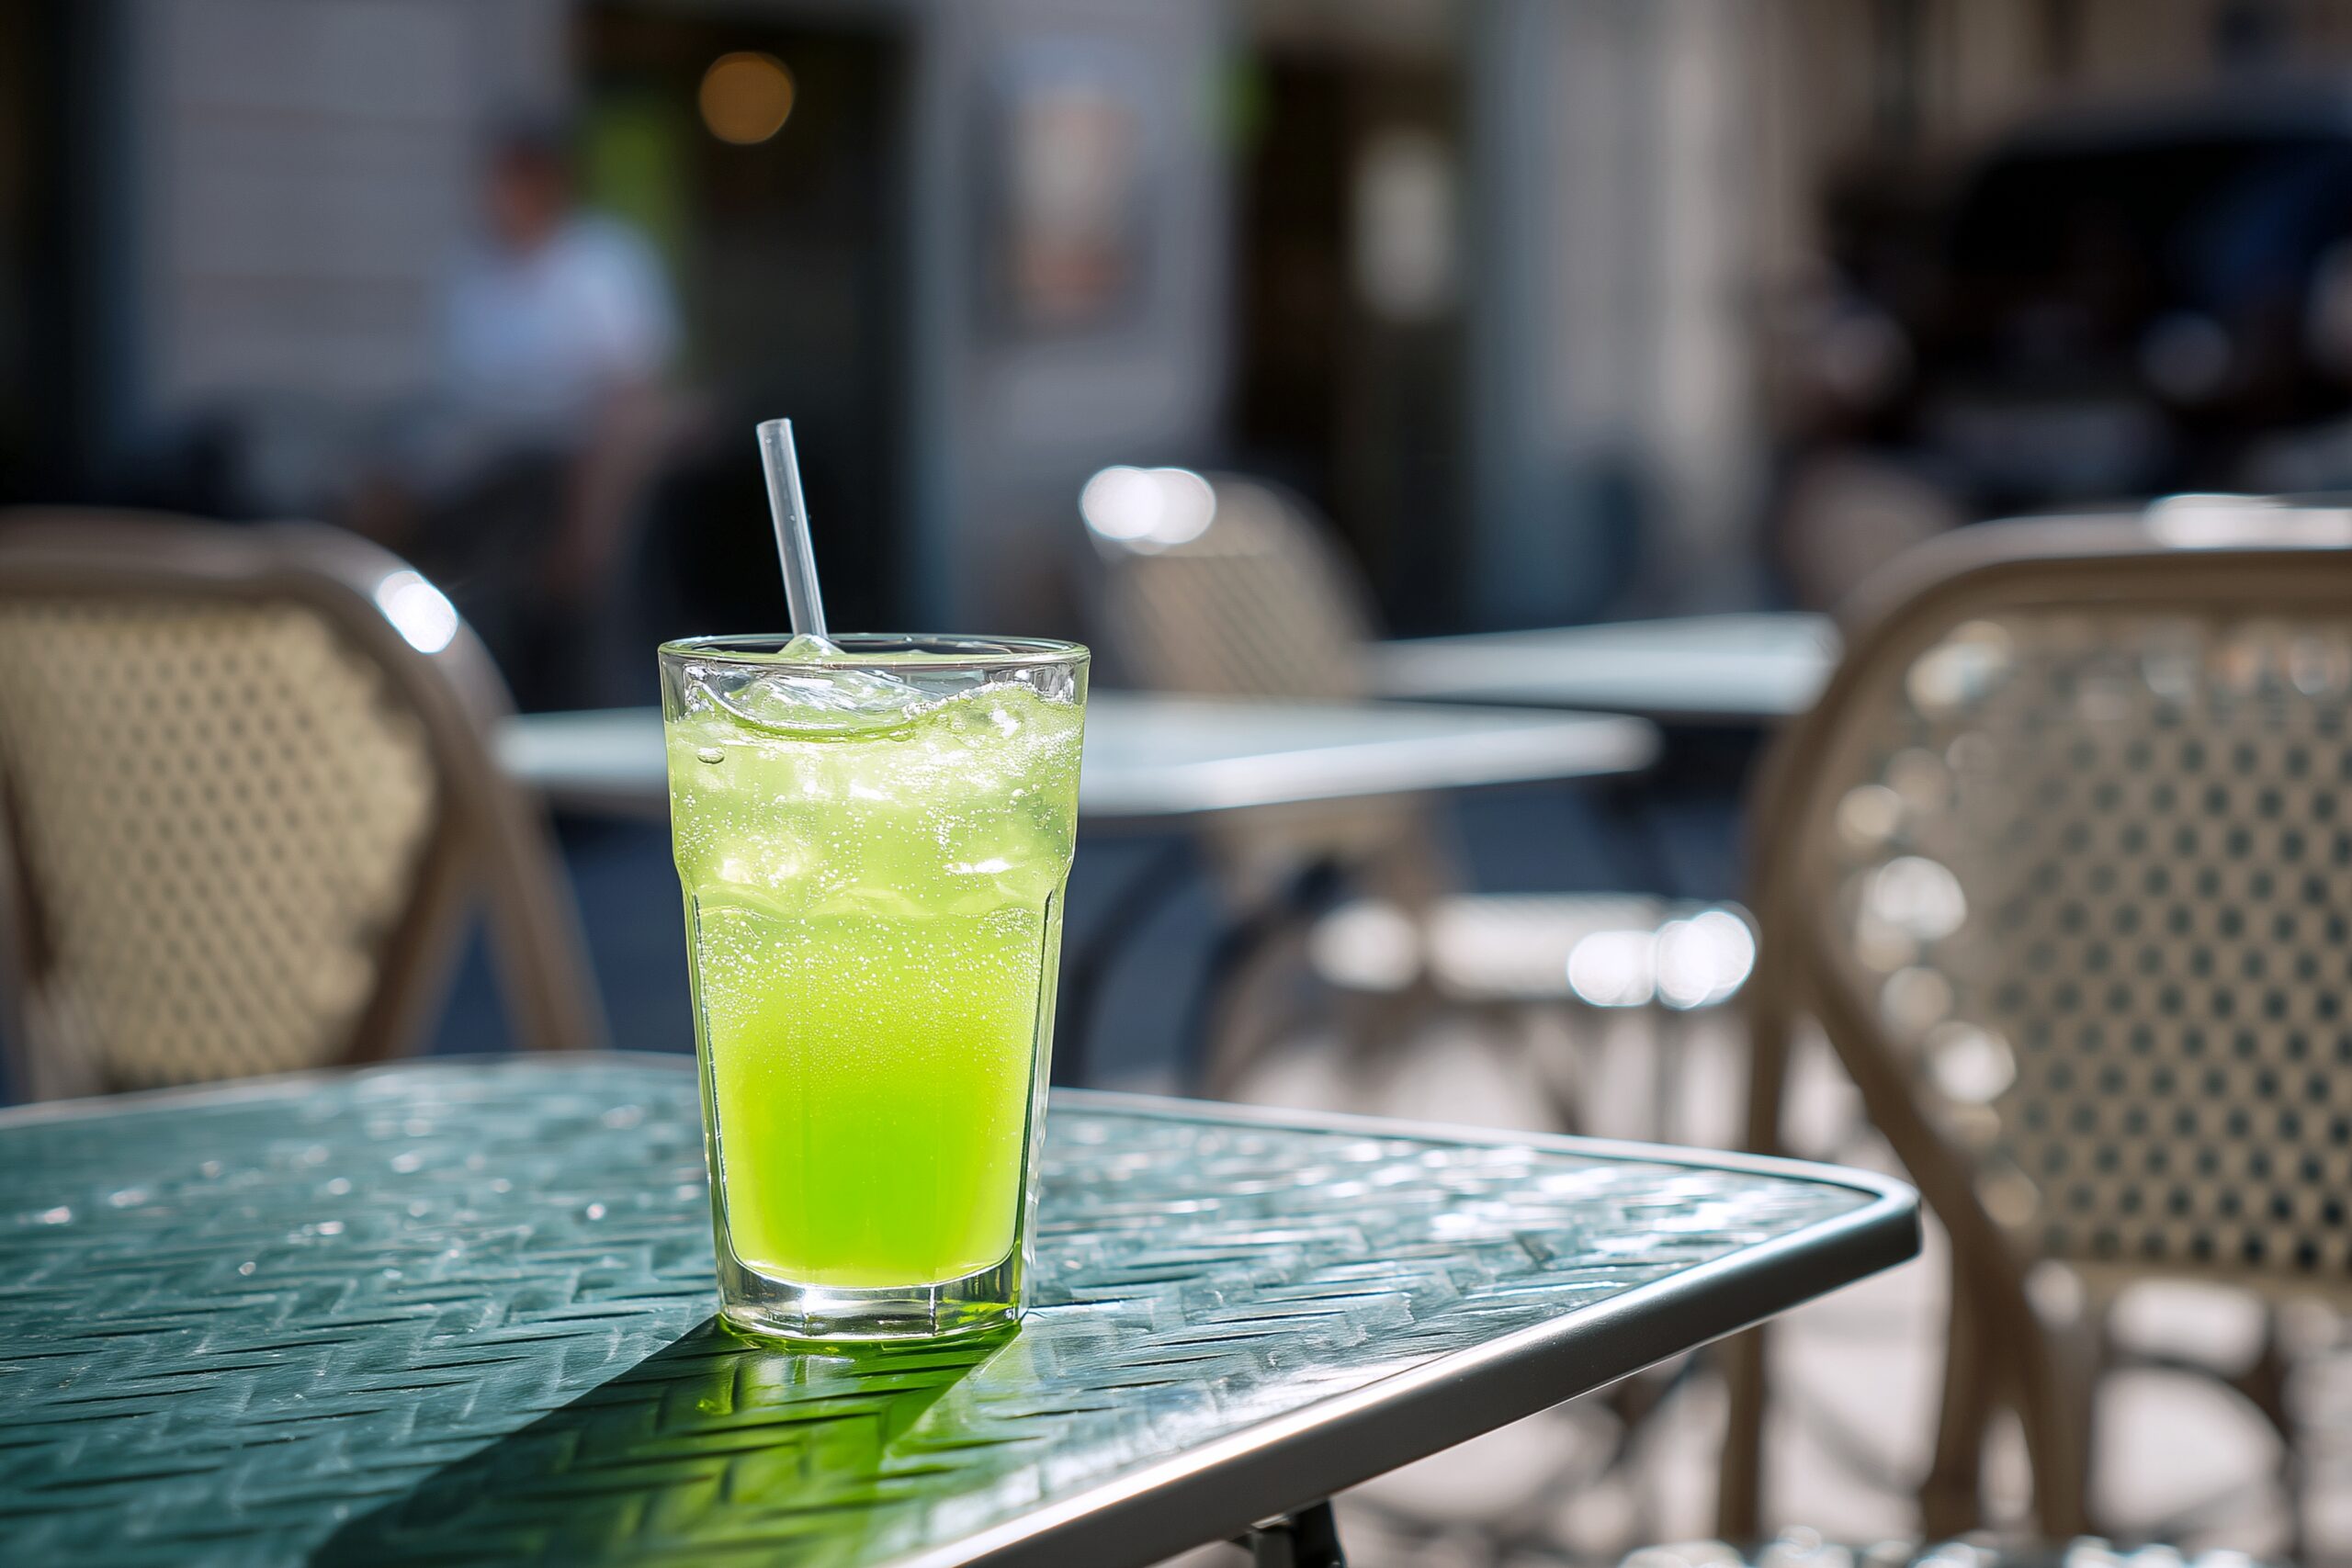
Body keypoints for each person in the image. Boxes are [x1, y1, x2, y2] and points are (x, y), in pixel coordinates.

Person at [355, 119, 681, 707]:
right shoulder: (469, 269)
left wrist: (590, 520)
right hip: (482, 459)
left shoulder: (601, 263)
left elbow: (632, 394)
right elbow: (452, 400)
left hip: (569, 460)